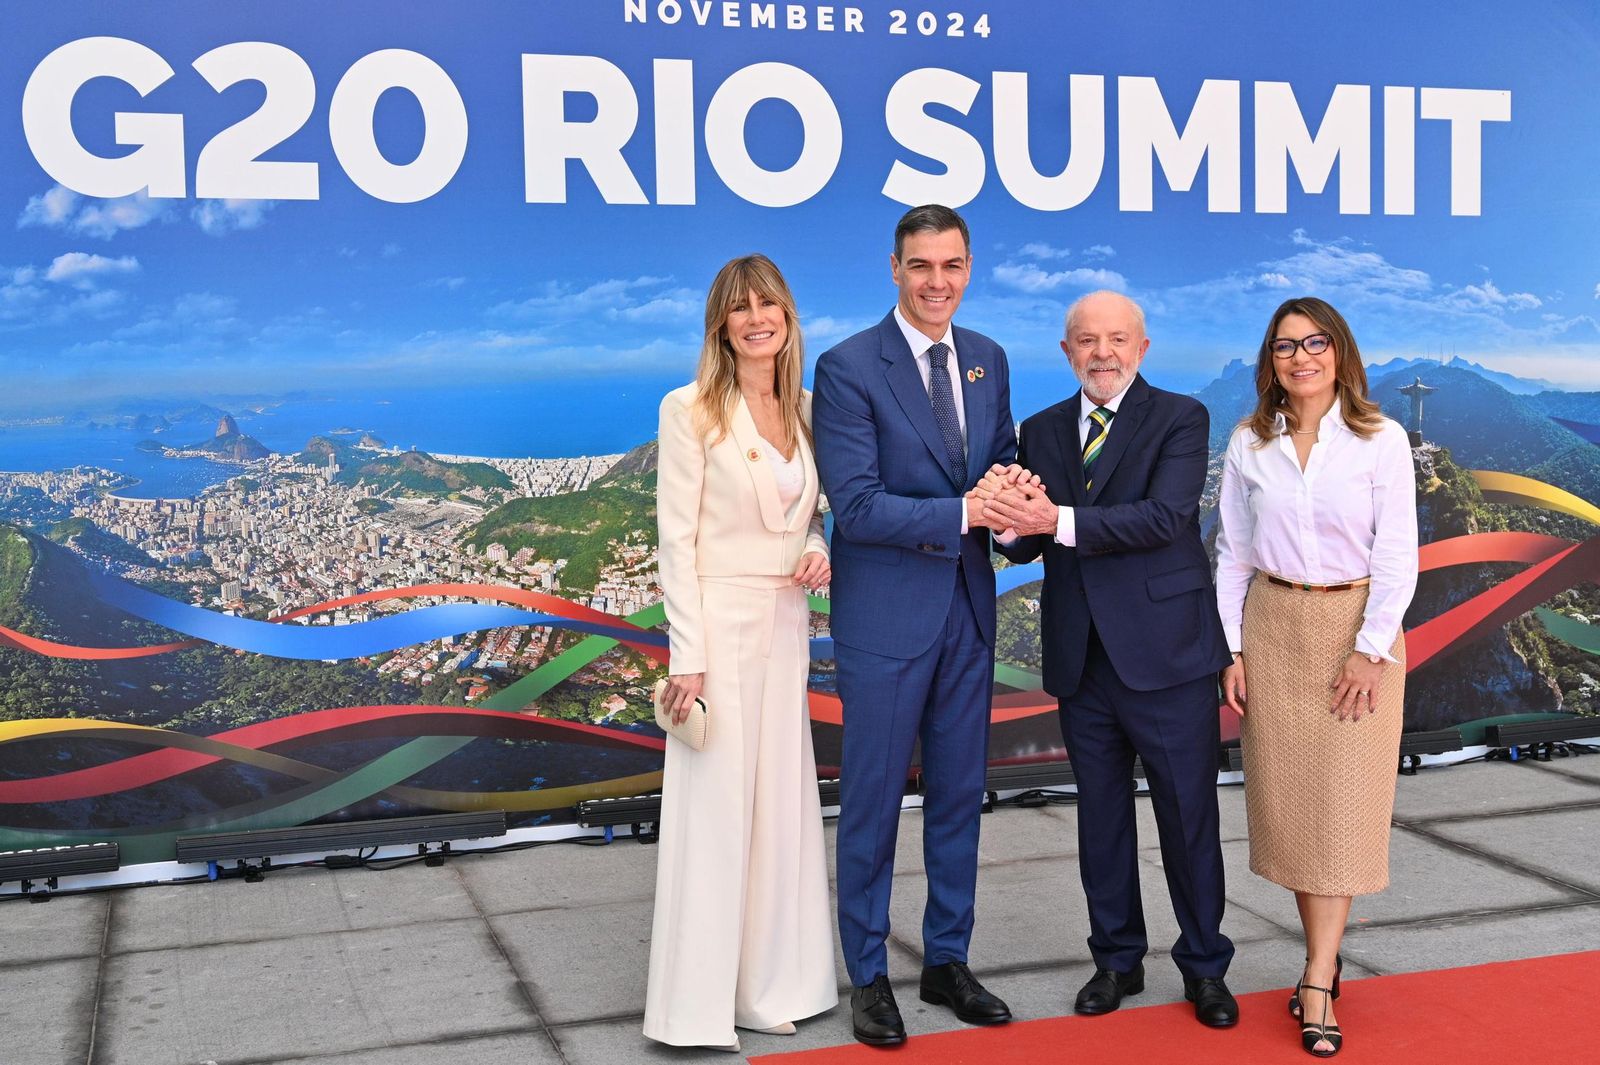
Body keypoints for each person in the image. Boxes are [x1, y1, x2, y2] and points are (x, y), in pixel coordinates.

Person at [981, 290, 1239, 1031]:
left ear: (1142, 348)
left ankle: (1204, 965)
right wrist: (1003, 521)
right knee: (1100, 820)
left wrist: (1049, 518)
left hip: (1167, 656)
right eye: (1087, 340)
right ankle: (1117, 958)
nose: (1103, 352)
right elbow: (1028, 539)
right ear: (1067, 353)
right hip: (1082, 658)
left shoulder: (1181, 419)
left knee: (1188, 817)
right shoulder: (1042, 429)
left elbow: (1163, 517)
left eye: (1117, 338)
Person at [812, 204, 1019, 1047]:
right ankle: (868, 973)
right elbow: (856, 508)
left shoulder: (988, 360)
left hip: (969, 612)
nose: (939, 282)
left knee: (959, 798)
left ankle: (946, 959)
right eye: (922, 266)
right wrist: (968, 508)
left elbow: (998, 463)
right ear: (894, 269)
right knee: (869, 804)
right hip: (885, 620)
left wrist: (1013, 513)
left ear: (970, 269)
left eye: (953, 265)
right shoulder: (848, 366)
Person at [1214, 297, 1418, 1058]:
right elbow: (1232, 553)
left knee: (1339, 807)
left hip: (1355, 632)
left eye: (1316, 342)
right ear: (1270, 362)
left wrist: (1370, 650)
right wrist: (1231, 649)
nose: (1301, 357)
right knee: (1297, 809)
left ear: (1341, 353)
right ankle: (1320, 963)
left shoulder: (1381, 440)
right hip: (1273, 629)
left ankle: (1319, 975)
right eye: (1285, 346)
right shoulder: (1248, 443)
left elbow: (1398, 554)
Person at [644, 254, 837, 1053]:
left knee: (779, 809)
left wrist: (819, 543)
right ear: (720, 325)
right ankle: (699, 1002)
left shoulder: (805, 408)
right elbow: (675, 540)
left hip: (785, 623)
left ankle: (768, 986)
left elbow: (806, 510)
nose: (758, 317)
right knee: (718, 816)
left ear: (788, 315)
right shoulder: (688, 409)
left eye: (770, 303)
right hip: (718, 632)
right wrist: (686, 655)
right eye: (740, 307)